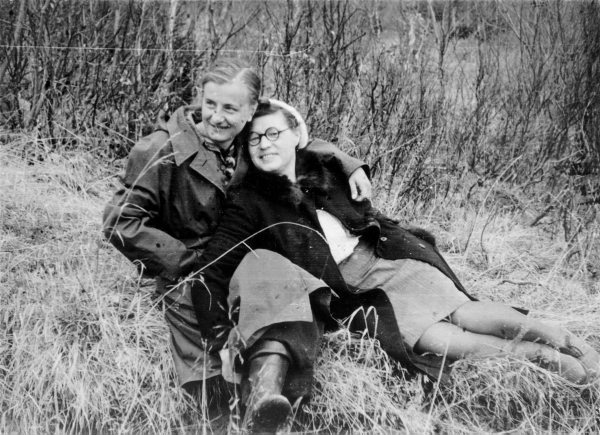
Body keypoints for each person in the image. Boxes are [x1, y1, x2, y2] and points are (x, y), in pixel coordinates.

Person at [192, 99, 600, 432]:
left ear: (296, 136)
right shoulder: (249, 202)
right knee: (445, 341)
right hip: (355, 291)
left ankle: (564, 339)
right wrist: (218, 334)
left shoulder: (326, 169)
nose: (264, 144)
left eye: (273, 134)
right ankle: (539, 357)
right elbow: (212, 271)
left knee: (465, 311)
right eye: (254, 139)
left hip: (388, 258)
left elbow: (345, 178)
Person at [101, 59, 373, 411]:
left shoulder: (247, 136)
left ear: (249, 111)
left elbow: (297, 140)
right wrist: (185, 261)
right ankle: (227, 409)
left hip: (249, 257)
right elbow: (120, 222)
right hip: (196, 267)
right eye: (210, 104)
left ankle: (268, 396)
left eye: (230, 109)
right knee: (212, 371)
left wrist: (348, 164)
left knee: (291, 300)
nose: (217, 117)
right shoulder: (161, 150)